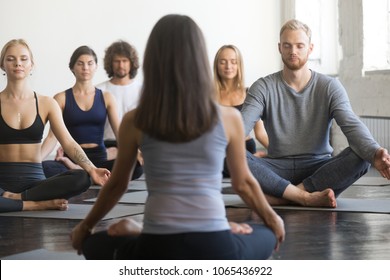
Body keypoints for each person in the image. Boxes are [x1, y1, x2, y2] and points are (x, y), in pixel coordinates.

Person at [71, 14, 285, 260]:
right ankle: (228, 232)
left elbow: (118, 184)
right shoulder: (229, 118)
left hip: (156, 248)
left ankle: (139, 230)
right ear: (200, 59)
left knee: (93, 244)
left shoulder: (135, 120)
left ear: (153, 59)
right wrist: (273, 219)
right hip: (215, 246)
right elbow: (243, 183)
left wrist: (85, 227)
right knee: (265, 235)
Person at [241, 19, 390, 208]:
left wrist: (375, 152)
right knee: (230, 153)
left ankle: (288, 196)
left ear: (310, 48)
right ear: (279, 48)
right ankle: (304, 197)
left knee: (363, 155)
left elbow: (350, 124)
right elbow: (241, 127)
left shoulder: (329, 86)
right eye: (287, 45)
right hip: (277, 168)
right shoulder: (263, 87)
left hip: (318, 170)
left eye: (299, 46)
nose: (293, 51)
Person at [0, 39, 110, 213]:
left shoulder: (46, 103)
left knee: (82, 177)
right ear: (2, 65)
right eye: (11, 59)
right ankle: (34, 204)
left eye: (23, 58)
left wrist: (92, 169)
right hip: (2, 183)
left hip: (36, 183)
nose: (18, 63)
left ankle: (19, 199)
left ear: (31, 65)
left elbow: (67, 141)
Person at [40, 46, 136, 179]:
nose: (85, 67)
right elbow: (52, 137)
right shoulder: (60, 98)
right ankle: (87, 173)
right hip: (73, 158)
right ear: (72, 67)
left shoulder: (107, 97)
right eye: (80, 63)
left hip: (101, 158)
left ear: (96, 66)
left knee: (136, 165)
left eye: (90, 63)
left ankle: (85, 173)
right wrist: (35, 161)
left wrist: (135, 152)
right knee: (45, 168)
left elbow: (119, 133)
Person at [213, 45, 268, 177]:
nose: (228, 66)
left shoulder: (250, 93)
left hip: (247, 151)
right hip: (220, 152)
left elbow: (260, 133)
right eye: (223, 61)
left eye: (233, 61)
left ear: (239, 65)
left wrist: (281, 154)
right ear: (217, 65)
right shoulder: (208, 95)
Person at [95, 40, 144, 176]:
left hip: (135, 146)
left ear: (131, 62)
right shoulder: (99, 90)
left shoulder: (143, 90)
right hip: (105, 146)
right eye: (117, 61)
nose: (121, 65)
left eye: (124, 61)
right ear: (110, 63)